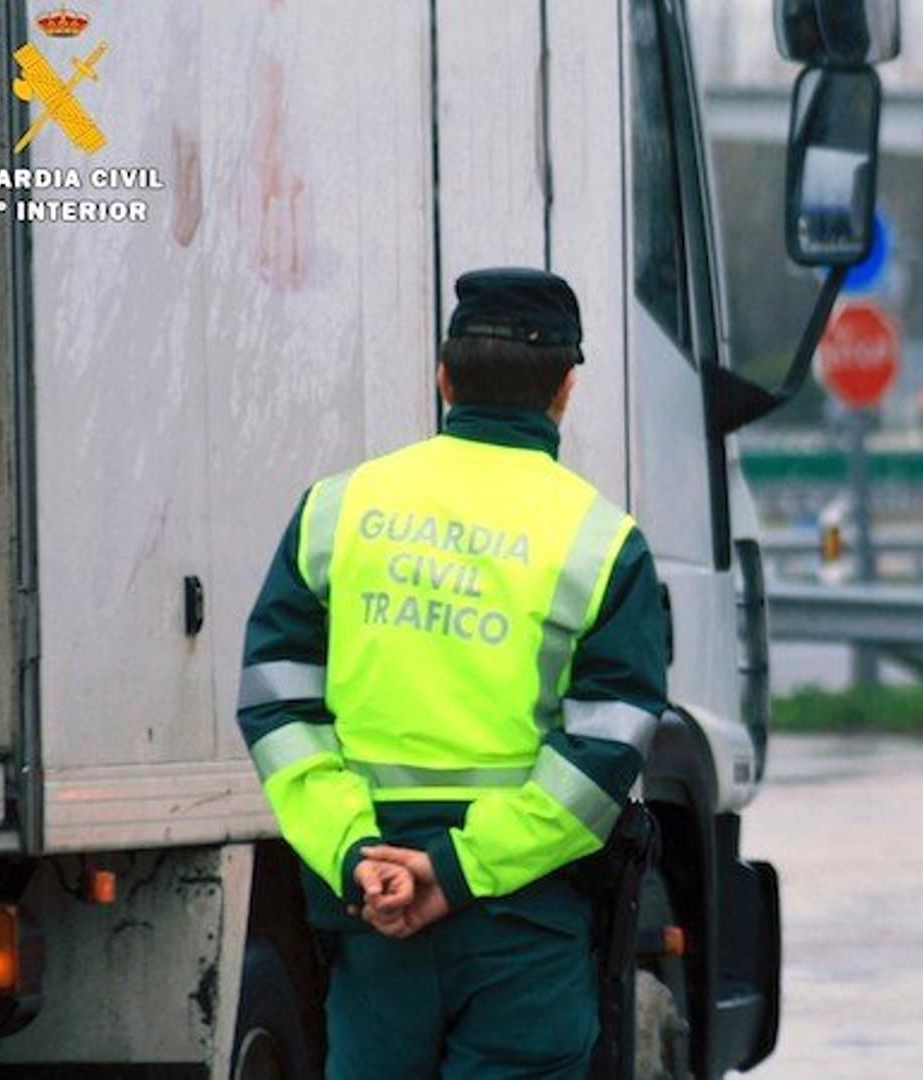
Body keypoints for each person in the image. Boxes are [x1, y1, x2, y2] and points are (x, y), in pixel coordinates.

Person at [235, 268, 668, 1077]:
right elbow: (606, 756)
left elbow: (275, 706)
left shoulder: (337, 510)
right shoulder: (602, 542)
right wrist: (458, 871)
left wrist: (359, 853)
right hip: (522, 923)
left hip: (375, 910)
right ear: (566, 389)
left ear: (443, 376)